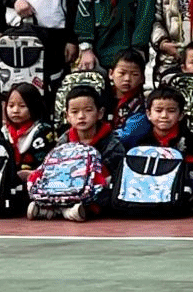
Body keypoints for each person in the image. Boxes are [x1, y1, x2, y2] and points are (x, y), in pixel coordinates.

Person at [30, 81, 124, 221]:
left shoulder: (112, 143)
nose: (81, 116)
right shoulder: (63, 141)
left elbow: (113, 177)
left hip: (92, 191)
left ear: (100, 113)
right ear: (67, 116)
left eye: (88, 110)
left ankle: (68, 210)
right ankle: (55, 207)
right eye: (74, 112)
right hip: (65, 188)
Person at [0, 83, 53, 181]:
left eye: (22, 106)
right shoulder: (4, 132)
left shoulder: (43, 131)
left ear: (34, 106)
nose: (15, 110)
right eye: (11, 106)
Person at [106, 50, 151, 148]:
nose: (127, 79)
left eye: (134, 74)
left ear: (142, 78)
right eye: (122, 73)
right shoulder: (102, 98)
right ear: (111, 73)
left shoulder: (142, 105)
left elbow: (129, 135)